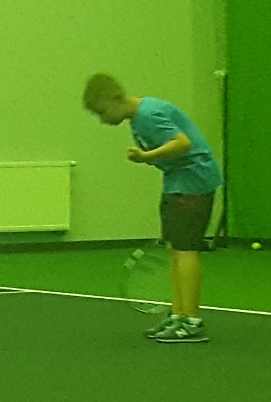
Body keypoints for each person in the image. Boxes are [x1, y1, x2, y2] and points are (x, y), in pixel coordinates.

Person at [83, 73, 222, 343]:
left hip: (193, 182)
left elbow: (182, 143)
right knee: (175, 249)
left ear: (116, 99)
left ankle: (192, 321)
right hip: (177, 182)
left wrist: (146, 157)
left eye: (103, 112)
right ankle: (178, 315)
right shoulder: (139, 117)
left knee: (186, 250)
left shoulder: (147, 114)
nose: (102, 120)